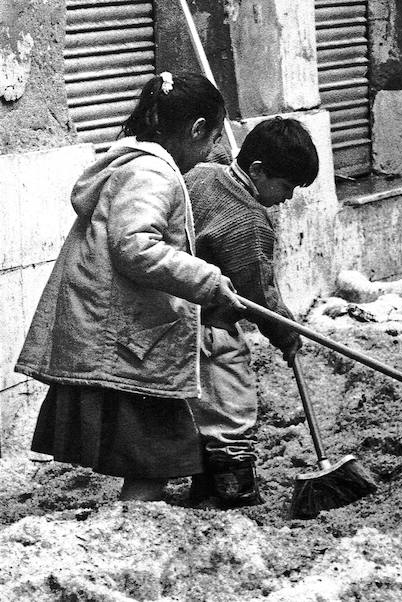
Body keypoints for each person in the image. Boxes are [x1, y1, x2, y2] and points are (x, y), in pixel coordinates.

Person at [15, 72, 245, 502]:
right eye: (213, 138)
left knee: (153, 451)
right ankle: (137, 524)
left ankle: (138, 517)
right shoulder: (152, 174)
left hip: (125, 331)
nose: (213, 152)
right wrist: (207, 280)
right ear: (197, 130)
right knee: (154, 453)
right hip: (129, 340)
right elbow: (136, 247)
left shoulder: (130, 164)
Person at [183, 117, 319, 508]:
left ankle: (204, 491)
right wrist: (287, 335)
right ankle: (233, 495)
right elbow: (258, 294)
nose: (288, 197)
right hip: (210, 329)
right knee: (230, 411)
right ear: (257, 171)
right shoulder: (247, 220)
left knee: (200, 413)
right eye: (286, 186)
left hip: (171, 319)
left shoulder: (203, 174)